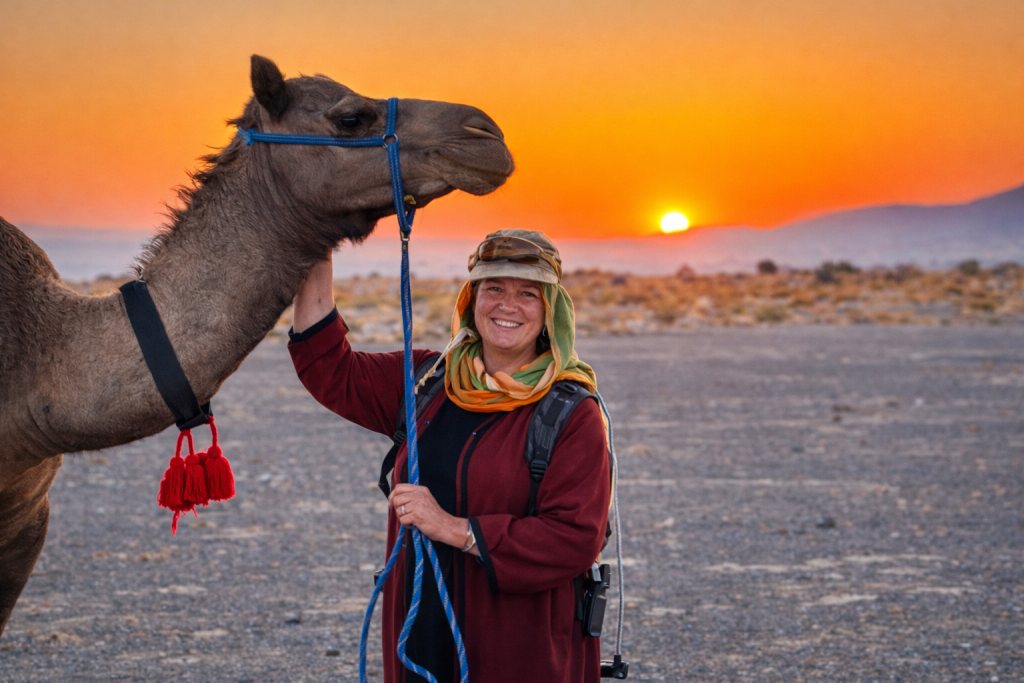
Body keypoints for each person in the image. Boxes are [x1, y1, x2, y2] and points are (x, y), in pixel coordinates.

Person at [288, 229, 611, 683]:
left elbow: (575, 538)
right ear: (471, 298)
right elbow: (329, 369)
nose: (507, 305)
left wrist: (454, 529)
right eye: (493, 288)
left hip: (521, 652)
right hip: (419, 637)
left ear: (551, 310)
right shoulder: (427, 382)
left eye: (527, 294)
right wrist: (315, 240)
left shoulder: (570, 412)